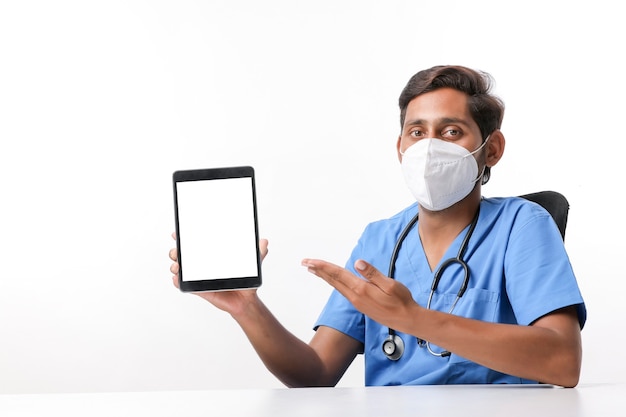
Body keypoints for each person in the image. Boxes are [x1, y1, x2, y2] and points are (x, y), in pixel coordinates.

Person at [169, 65, 586, 388]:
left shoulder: (523, 225)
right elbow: (315, 374)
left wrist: (415, 318)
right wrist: (246, 308)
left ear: (491, 149)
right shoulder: (379, 239)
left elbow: (563, 362)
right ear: (400, 147)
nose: (429, 147)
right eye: (417, 132)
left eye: (451, 131)